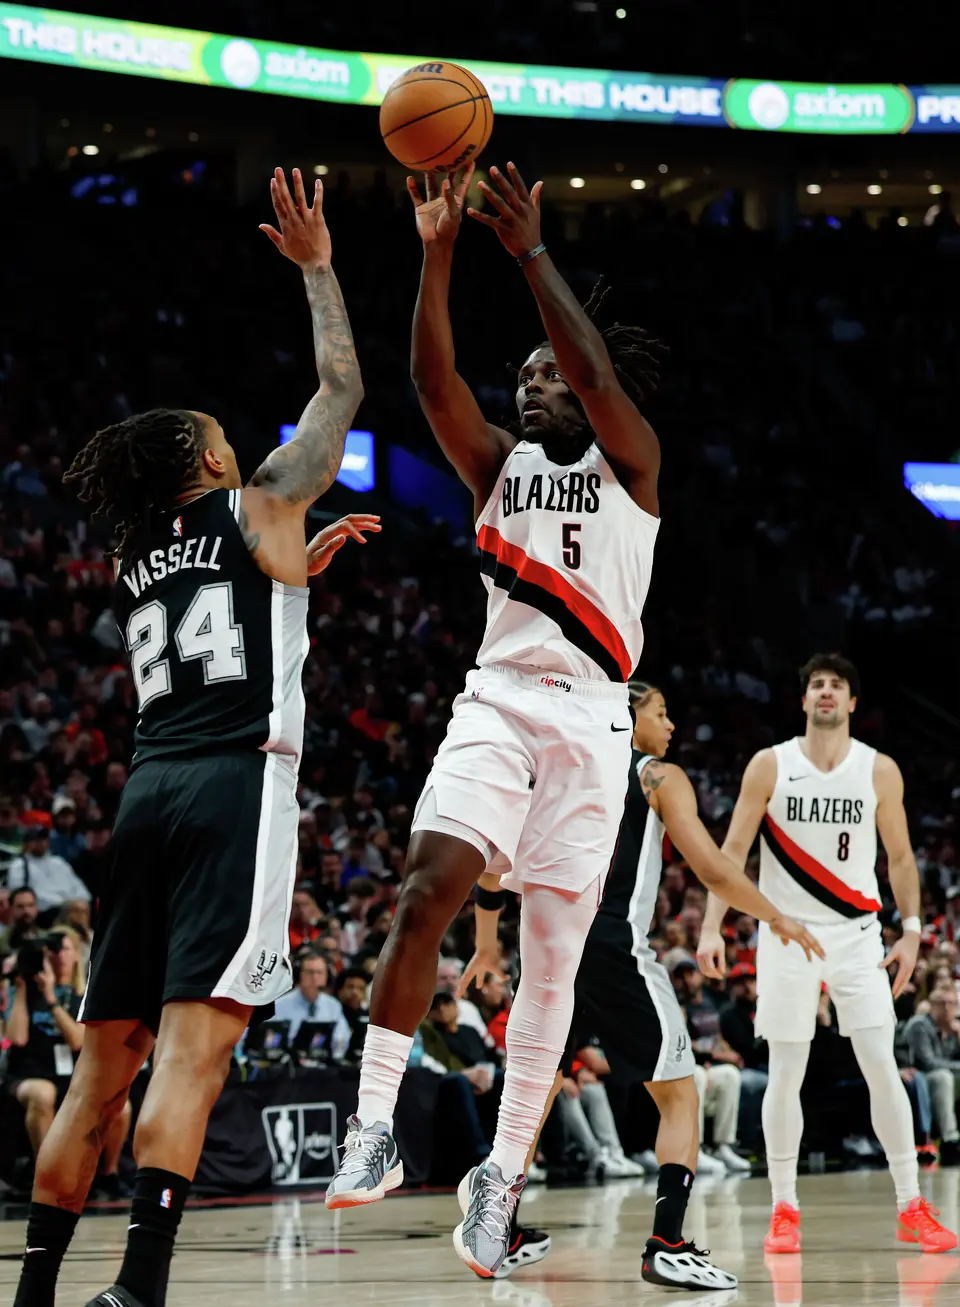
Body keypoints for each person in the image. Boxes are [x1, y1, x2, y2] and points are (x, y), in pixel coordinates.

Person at [11, 166, 371, 1307]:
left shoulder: (136, 558)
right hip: (234, 782)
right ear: (212, 464)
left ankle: (32, 1292)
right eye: (224, 432)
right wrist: (316, 267)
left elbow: (230, 598)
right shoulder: (258, 500)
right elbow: (341, 387)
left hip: (147, 790)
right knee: (194, 1047)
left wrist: (290, 582)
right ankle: (141, 1288)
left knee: (98, 1066)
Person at [325, 157, 671, 1278]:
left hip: (595, 728)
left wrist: (528, 253)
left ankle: (502, 1182)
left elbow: (593, 364)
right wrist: (436, 255)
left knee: (552, 973)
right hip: (500, 702)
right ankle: (372, 1125)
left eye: (546, 377)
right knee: (428, 885)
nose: (530, 386)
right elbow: (432, 388)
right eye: (520, 376)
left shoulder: (633, 466)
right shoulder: (497, 469)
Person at [459, 681, 823, 1289]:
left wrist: (487, 941)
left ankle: (499, 1222)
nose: (671, 724)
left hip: (548, 943)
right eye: (661, 711)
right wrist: (775, 915)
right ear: (628, 717)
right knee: (681, 1096)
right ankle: (668, 1244)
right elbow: (710, 866)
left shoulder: (553, 768)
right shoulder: (658, 776)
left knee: (537, 1095)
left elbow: (495, 859)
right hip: (611, 945)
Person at [697, 652, 957, 1255]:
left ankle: (911, 1204)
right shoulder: (771, 765)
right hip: (786, 931)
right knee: (788, 1070)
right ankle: (783, 1208)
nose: (826, 692)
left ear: (853, 702)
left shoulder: (878, 770)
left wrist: (913, 929)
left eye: (837, 685)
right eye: (816, 684)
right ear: (803, 699)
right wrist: (713, 925)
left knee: (881, 1065)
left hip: (858, 932)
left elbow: (898, 856)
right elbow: (731, 851)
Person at [7, 928, 130, 1192]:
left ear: (76, 954)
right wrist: (20, 987)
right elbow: (16, 1038)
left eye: (64, 949)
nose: (57, 956)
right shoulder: (25, 990)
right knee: (43, 1093)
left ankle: (109, 1173)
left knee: (123, 1105)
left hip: (76, 1075)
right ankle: (48, 1175)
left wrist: (51, 999)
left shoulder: (84, 994)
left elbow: (77, 1040)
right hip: (29, 1074)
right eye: (51, 950)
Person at [903, 987, 960, 1164]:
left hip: (946, 1075)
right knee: (943, 1078)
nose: (947, 1008)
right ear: (932, 1006)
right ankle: (950, 1140)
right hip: (916, 1077)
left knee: (946, 1076)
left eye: (951, 1003)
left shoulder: (954, 1028)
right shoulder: (920, 1025)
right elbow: (927, 1063)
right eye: (942, 1004)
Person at [273, 951, 352, 1059]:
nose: (314, 977)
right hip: (288, 1067)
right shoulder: (279, 1005)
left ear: (327, 976)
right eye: (309, 972)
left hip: (324, 1066)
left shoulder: (333, 1005)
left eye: (319, 972)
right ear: (298, 974)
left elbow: (342, 1038)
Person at [6, 825, 91, 920]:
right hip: (44, 915)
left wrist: (80, 902)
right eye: (37, 840)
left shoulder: (59, 862)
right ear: (27, 843)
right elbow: (19, 895)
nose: (41, 843)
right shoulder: (19, 866)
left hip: (73, 910)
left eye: (44, 839)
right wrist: (63, 904)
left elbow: (79, 887)